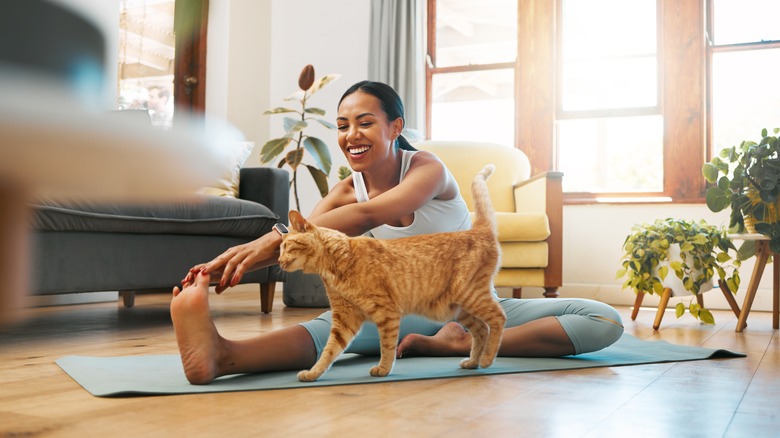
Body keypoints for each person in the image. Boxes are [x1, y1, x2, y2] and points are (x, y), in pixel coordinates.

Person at [171, 80, 624, 385]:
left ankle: (458, 341)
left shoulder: (428, 169)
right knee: (333, 327)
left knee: (603, 320)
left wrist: (267, 238)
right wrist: (227, 263)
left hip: (468, 303)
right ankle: (222, 355)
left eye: (365, 122)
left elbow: (372, 216)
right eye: (343, 126)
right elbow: (304, 239)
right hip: (394, 308)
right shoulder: (346, 189)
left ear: (395, 128)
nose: (351, 135)